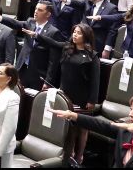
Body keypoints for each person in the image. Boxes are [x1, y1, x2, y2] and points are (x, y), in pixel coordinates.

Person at [52, 95, 133, 168]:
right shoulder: (125, 131)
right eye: (131, 109)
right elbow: (100, 125)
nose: (130, 114)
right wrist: (72, 115)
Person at [37, 23, 100, 165]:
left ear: (86, 36)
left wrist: (92, 100)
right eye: (74, 32)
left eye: (78, 33)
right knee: (68, 127)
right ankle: (68, 154)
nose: (75, 35)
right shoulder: (67, 48)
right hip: (66, 93)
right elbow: (52, 42)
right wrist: (36, 35)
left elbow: (96, 81)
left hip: (82, 97)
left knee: (82, 128)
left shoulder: (92, 56)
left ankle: (80, 156)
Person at [0, 1, 64, 90]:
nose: (36, 11)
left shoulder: (53, 32)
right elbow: (16, 23)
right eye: (35, 9)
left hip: (38, 74)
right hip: (22, 69)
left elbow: (53, 60)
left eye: (40, 10)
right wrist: (1, 18)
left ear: (48, 14)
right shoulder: (30, 22)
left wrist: (48, 81)